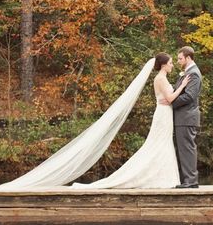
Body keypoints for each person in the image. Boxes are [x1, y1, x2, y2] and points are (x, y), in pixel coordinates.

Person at [73, 53, 189, 189]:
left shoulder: (162, 78)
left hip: (165, 113)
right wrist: (183, 86)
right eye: (170, 63)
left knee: (163, 143)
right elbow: (169, 98)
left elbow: (168, 97)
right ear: (163, 65)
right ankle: (158, 178)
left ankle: (162, 177)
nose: (172, 65)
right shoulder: (160, 79)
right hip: (163, 115)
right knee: (159, 144)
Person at [160, 46, 202, 189]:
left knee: (187, 148)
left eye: (180, 58)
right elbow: (179, 91)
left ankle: (190, 181)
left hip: (187, 117)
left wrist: (171, 101)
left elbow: (190, 96)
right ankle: (188, 180)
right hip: (183, 117)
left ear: (188, 58)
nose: (178, 61)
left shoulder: (194, 74)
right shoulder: (187, 73)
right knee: (184, 148)